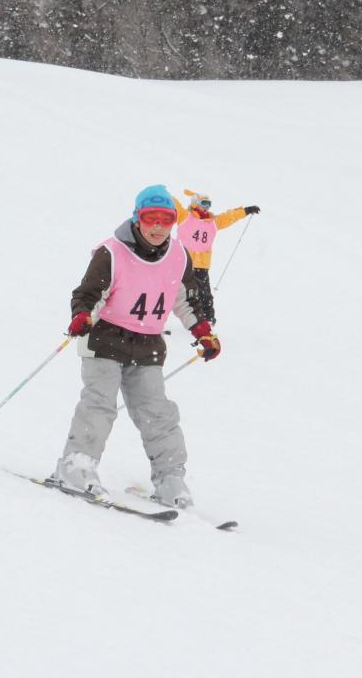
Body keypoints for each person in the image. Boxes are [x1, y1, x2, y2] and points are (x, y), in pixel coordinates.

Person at [52, 185, 222, 509]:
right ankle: (76, 466)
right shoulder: (112, 253)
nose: (158, 227)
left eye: (166, 219)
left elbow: (187, 300)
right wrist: (83, 316)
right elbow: (88, 294)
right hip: (104, 338)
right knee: (99, 404)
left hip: (148, 346)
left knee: (158, 414)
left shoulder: (178, 256)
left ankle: (170, 479)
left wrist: (202, 331)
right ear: (137, 217)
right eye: (150, 218)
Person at [173, 189, 260, 324]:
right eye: (204, 203)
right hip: (183, 262)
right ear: (195, 203)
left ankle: (207, 319)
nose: (207, 207)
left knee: (204, 294)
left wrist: (246, 210)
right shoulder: (185, 217)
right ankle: (156, 318)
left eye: (209, 204)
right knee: (172, 290)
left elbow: (229, 216)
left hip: (201, 265)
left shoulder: (213, 222)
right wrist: (163, 193)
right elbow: (175, 205)